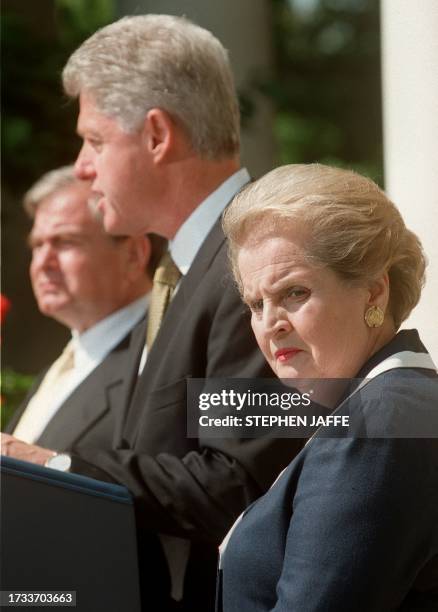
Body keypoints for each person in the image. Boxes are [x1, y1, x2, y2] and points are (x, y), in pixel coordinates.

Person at [1, 16, 302, 610]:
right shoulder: (188, 270)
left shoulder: (256, 264)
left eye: (93, 140)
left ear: (157, 135)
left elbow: (236, 480)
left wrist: (55, 464)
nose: (83, 167)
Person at [218, 163, 438, 611]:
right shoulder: (380, 407)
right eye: (256, 304)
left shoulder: (380, 422)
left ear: (374, 293)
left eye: (294, 293)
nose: (270, 324)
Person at [3, 165, 157, 455]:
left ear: (134, 255)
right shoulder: (66, 363)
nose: (43, 262)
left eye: (65, 242)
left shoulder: (165, 352)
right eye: (37, 245)